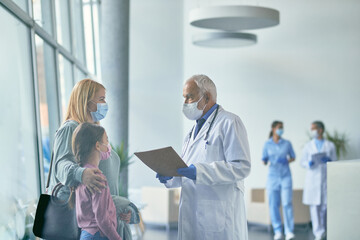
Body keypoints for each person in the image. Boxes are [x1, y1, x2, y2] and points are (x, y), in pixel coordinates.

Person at [156, 74, 251, 240]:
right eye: (184, 98)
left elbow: (241, 167)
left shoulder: (230, 122)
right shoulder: (192, 132)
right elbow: (185, 171)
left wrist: (198, 171)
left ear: (207, 97)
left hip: (219, 215)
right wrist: (170, 176)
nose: (185, 102)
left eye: (189, 97)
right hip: (191, 212)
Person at [48, 79, 132, 237]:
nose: (105, 103)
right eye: (101, 99)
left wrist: (117, 210)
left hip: (102, 223)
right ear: (85, 101)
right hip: (85, 225)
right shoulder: (71, 128)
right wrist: (81, 174)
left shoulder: (95, 133)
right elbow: (61, 166)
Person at [72, 122, 122, 240]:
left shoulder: (82, 175)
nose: (108, 145)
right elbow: (102, 218)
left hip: (86, 235)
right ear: (98, 146)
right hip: (99, 235)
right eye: (106, 140)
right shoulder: (96, 178)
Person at [300, 121, 336, 240]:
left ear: (320, 129)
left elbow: (335, 162)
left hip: (326, 179)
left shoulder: (330, 145)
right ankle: (318, 233)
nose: (312, 131)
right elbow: (302, 161)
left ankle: (324, 230)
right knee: (314, 207)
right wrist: (308, 163)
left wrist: (329, 160)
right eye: (311, 129)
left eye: (314, 128)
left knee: (325, 207)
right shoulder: (308, 146)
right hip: (313, 179)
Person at [262, 121, 296, 240]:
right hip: (273, 177)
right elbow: (264, 161)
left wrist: (287, 160)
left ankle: (289, 231)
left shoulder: (287, 143)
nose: (281, 130)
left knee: (287, 203)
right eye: (279, 128)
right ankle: (277, 231)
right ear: (273, 128)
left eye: (282, 128)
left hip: (286, 176)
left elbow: (293, 157)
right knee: (273, 204)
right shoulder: (267, 144)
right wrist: (265, 160)